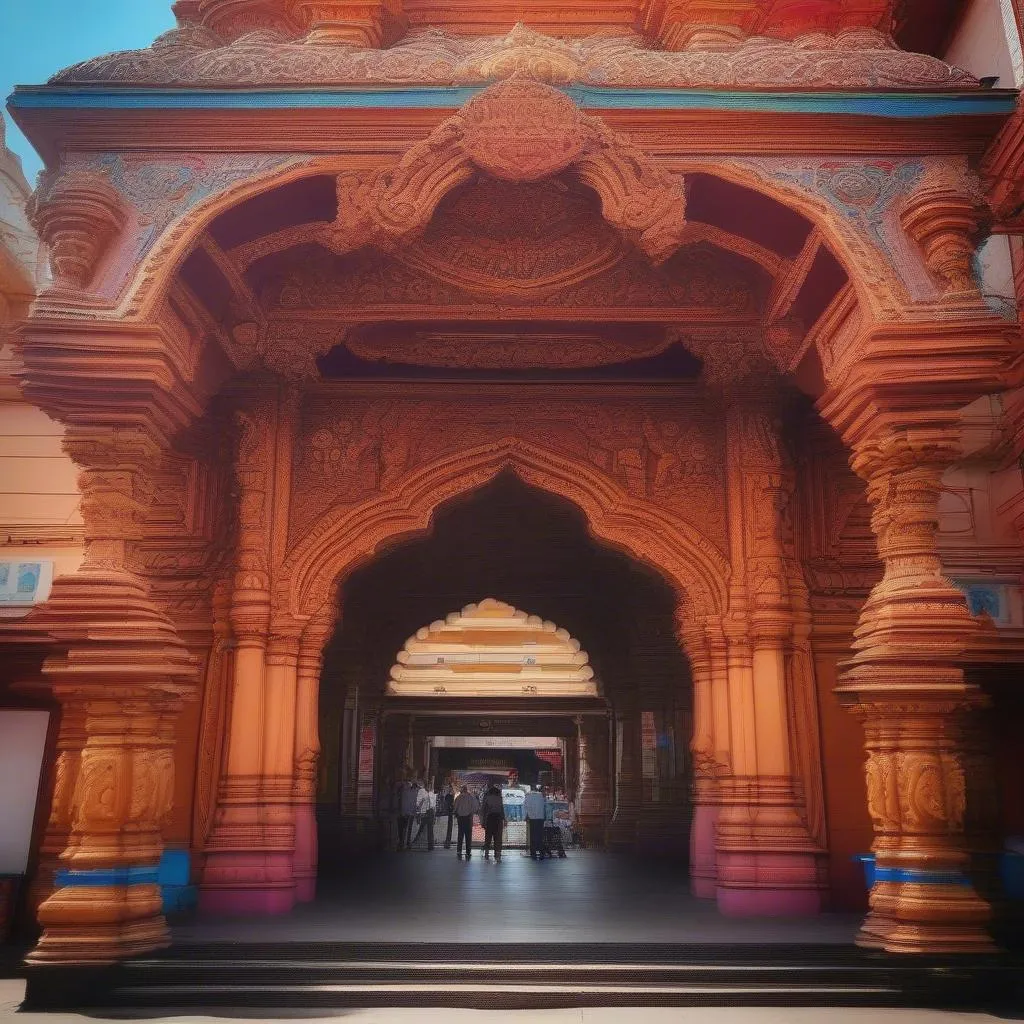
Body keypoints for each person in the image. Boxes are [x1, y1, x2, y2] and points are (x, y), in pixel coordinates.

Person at [480, 783, 506, 862]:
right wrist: (504, 819)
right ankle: (497, 854)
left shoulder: (487, 798)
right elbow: (502, 810)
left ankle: (487, 852)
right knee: (497, 837)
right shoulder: (499, 798)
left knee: (488, 836)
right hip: (498, 819)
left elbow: (483, 810)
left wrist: (483, 822)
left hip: (490, 818)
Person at [453, 784, 479, 860]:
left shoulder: (458, 797)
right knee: (468, 835)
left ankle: (459, 850)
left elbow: (455, 807)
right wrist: (471, 813)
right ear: (466, 789)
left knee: (460, 834)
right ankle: (468, 852)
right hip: (468, 818)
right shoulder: (471, 797)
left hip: (460, 818)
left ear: (462, 789)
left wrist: (456, 813)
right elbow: (475, 807)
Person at [524, 783, 547, 860]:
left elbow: (525, 806)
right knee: (540, 836)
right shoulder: (541, 795)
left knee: (533, 836)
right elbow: (545, 805)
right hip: (540, 817)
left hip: (532, 818)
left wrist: (526, 816)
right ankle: (541, 853)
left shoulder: (528, 795)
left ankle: (533, 853)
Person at [413, 778, 436, 850]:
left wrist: (434, 813)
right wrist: (418, 812)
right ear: (426, 786)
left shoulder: (432, 793)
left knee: (430, 829)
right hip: (424, 811)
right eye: (428, 786)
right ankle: (414, 841)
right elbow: (417, 802)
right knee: (421, 827)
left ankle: (430, 845)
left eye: (430, 786)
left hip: (431, 811)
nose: (429, 787)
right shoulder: (421, 791)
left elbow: (433, 804)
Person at [398, 778, 420, 851]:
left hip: (404, 812)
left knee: (403, 828)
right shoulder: (415, 792)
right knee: (408, 828)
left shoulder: (404, 792)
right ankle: (407, 842)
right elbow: (415, 804)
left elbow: (403, 802)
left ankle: (402, 842)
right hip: (410, 813)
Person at [439, 778, 456, 849]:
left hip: (449, 813)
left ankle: (447, 842)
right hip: (448, 813)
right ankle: (447, 842)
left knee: (449, 827)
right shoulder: (448, 796)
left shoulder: (449, 796)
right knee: (448, 827)